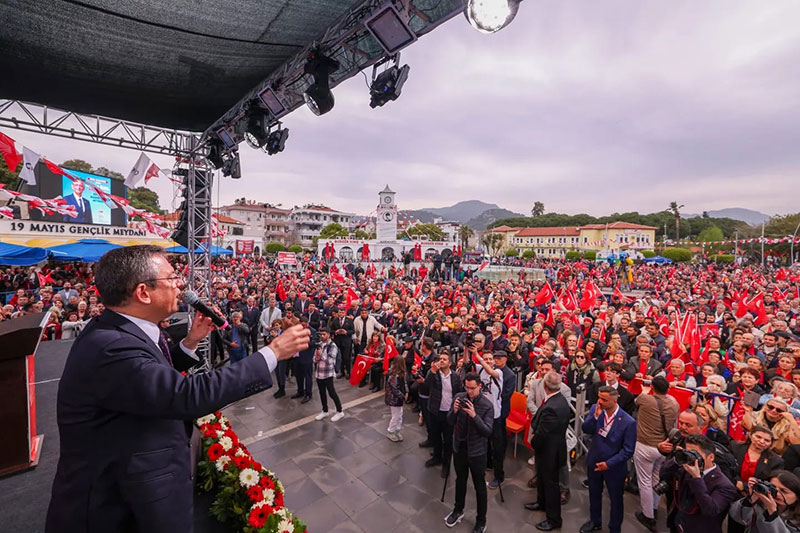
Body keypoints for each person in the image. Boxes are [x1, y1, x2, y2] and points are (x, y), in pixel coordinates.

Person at [45, 245, 309, 533]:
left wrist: (190, 341)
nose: (180, 285)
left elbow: (151, 377)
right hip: (117, 506)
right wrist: (271, 353)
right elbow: (185, 395)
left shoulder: (121, 330)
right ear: (143, 292)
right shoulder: (111, 347)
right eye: (171, 278)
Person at [580, 386, 637, 533]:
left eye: (604, 399)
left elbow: (628, 450)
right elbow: (586, 429)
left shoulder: (628, 422)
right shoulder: (595, 409)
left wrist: (609, 464)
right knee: (594, 494)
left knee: (616, 500)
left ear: (614, 399)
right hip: (594, 461)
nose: (600, 402)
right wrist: (595, 417)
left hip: (614, 468)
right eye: (599, 398)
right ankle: (595, 521)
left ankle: (615, 528)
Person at [444, 371, 494, 533]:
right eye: (467, 388)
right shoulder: (460, 396)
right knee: (460, 480)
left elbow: (487, 431)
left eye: (473, 388)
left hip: (477, 452)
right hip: (460, 447)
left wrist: (474, 415)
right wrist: (454, 410)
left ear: (480, 386)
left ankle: (481, 520)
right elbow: (450, 421)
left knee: (479, 486)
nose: (469, 391)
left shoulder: (487, 405)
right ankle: (458, 509)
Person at [659, 434, 739, 533]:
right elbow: (663, 474)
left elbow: (710, 510)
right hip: (678, 525)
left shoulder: (725, 485)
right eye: (689, 452)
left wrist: (696, 478)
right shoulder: (686, 468)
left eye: (695, 454)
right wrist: (677, 459)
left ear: (711, 457)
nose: (692, 458)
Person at [525, 371, 571, 531]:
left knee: (551, 485)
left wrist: (533, 442)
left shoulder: (553, 406)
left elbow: (543, 432)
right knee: (543, 480)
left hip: (550, 452)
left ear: (545, 385)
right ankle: (541, 502)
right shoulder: (558, 400)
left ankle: (553, 519)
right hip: (549, 450)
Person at [634, 376, 680, 531]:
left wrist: (644, 391)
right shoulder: (674, 402)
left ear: (653, 387)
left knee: (644, 482)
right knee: (656, 479)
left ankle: (647, 516)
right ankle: (653, 508)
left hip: (645, 445)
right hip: (664, 447)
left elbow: (637, 402)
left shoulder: (646, 399)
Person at [425, 350, 463, 478]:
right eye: (440, 358)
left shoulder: (456, 377)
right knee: (435, 436)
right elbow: (426, 385)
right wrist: (432, 372)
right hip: (435, 411)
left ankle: (446, 463)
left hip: (449, 413)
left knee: (447, 440)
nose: (441, 361)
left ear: (450, 363)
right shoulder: (434, 373)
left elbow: (459, 393)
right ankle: (437, 456)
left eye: (444, 359)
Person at [729, 471, 800, 532]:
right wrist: (749, 501)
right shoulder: (761, 505)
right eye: (773, 488)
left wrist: (772, 514)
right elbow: (737, 517)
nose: (777, 494)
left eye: (784, 491)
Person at [313, 327, 344, 422]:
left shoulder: (332, 346)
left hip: (328, 373)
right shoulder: (320, 345)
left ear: (328, 335)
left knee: (332, 392)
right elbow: (314, 359)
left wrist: (321, 355)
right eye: (321, 334)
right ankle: (324, 410)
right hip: (319, 373)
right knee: (321, 392)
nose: (322, 336)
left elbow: (330, 361)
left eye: (324, 334)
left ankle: (339, 411)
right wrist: (317, 357)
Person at [291, 316, 315, 403]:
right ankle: (300, 391)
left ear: (307, 323)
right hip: (297, 356)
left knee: (308, 376)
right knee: (298, 375)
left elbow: (314, 343)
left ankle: (308, 393)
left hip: (306, 357)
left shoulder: (312, 331)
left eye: (305, 325)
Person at [385, 354, 407, 442]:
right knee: (395, 416)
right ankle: (390, 431)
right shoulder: (393, 376)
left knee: (399, 415)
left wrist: (407, 392)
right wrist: (403, 396)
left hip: (398, 399)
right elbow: (395, 390)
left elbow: (404, 383)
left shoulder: (400, 374)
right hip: (394, 399)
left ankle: (397, 430)